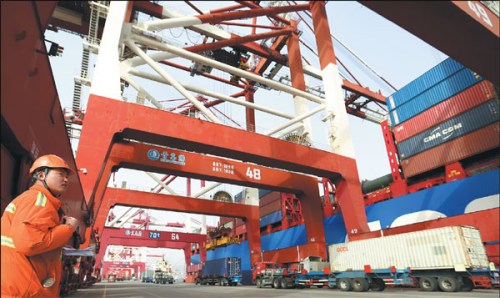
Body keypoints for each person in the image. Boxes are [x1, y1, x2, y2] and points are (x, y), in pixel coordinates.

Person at [1, 154, 80, 297]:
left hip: (20, 286)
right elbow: (30, 243)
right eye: (60, 174)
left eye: (67, 176)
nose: (66, 179)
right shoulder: (38, 200)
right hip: (25, 289)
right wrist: (68, 228)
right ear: (42, 175)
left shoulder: (36, 200)